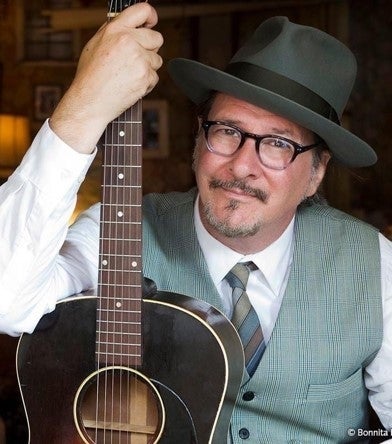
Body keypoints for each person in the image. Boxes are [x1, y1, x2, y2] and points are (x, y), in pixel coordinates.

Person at [0, 3, 391, 442]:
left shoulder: (372, 263)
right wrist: (82, 110)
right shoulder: (119, 230)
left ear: (316, 172)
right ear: (198, 138)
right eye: (226, 131)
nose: (243, 166)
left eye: (278, 144)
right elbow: (6, 301)